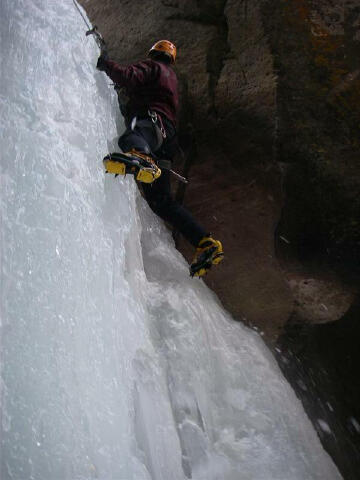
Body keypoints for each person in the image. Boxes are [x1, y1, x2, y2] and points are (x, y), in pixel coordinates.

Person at [97, 40, 223, 276]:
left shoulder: (153, 67)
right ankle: (205, 243)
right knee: (162, 202)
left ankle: (142, 158)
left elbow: (128, 76)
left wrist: (105, 63)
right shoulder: (171, 79)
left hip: (150, 126)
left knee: (130, 139)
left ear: (154, 54)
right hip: (168, 139)